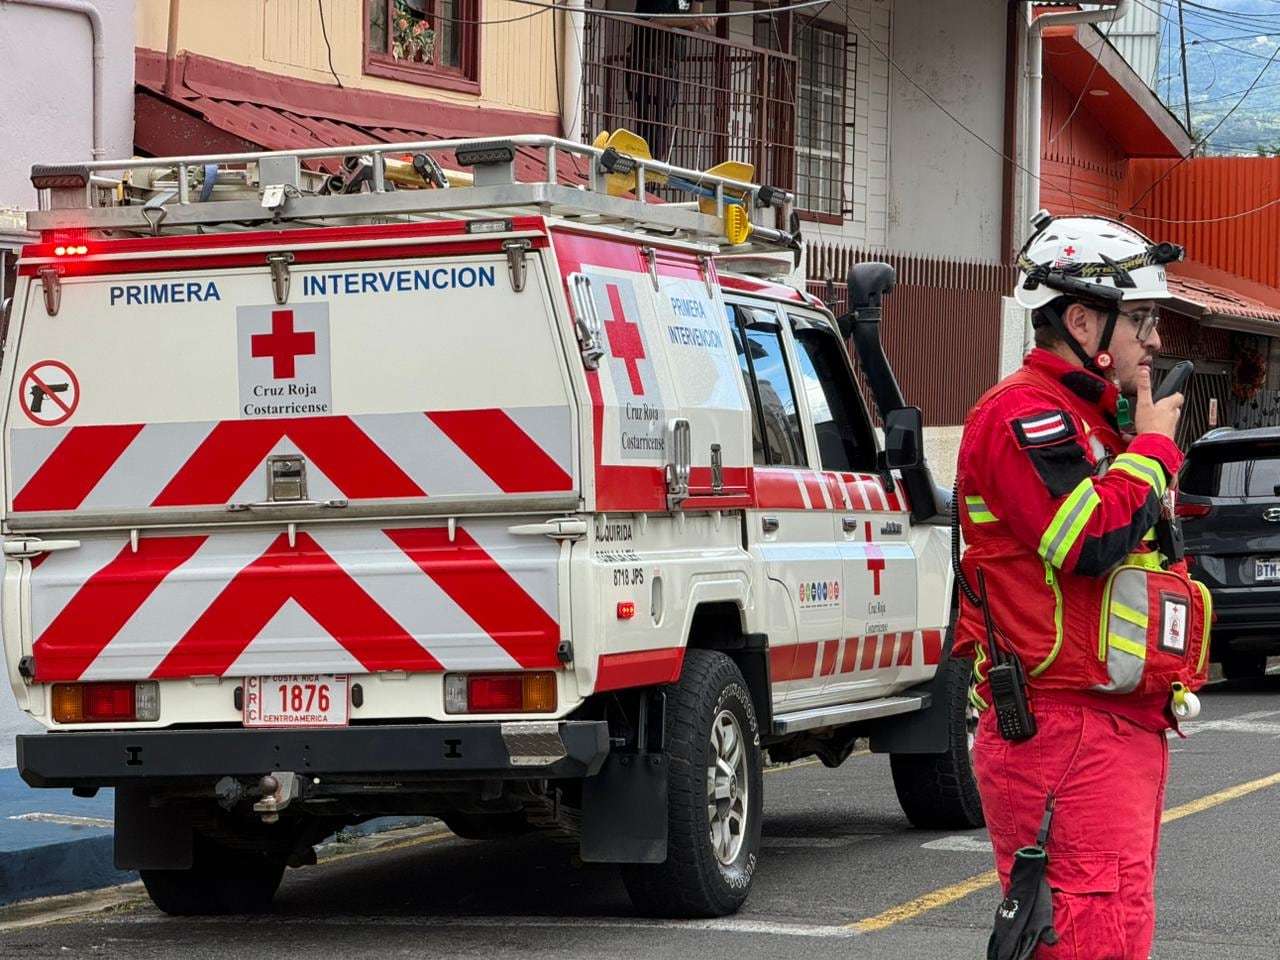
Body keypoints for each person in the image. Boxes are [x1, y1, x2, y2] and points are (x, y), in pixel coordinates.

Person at [953, 215, 1211, 959]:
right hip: (1060, 725)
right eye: (1141, 318)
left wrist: (1137, 447)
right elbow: (1087, 539)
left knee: (1121, 925)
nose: (1154, 340)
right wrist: (1154, 451)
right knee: (1083, 930)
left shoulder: (1090, 422)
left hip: (1112, 724)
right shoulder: (1021, 415)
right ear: (1080, 318)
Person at [625, 0, 715, 166]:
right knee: (651, 129)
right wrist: (697, 19)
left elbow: (692, 26)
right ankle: (644, 178)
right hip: (648, 64)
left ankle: (649, 176)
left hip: (669, 67)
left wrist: (698, 5)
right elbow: (658, 20)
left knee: (660, 129)